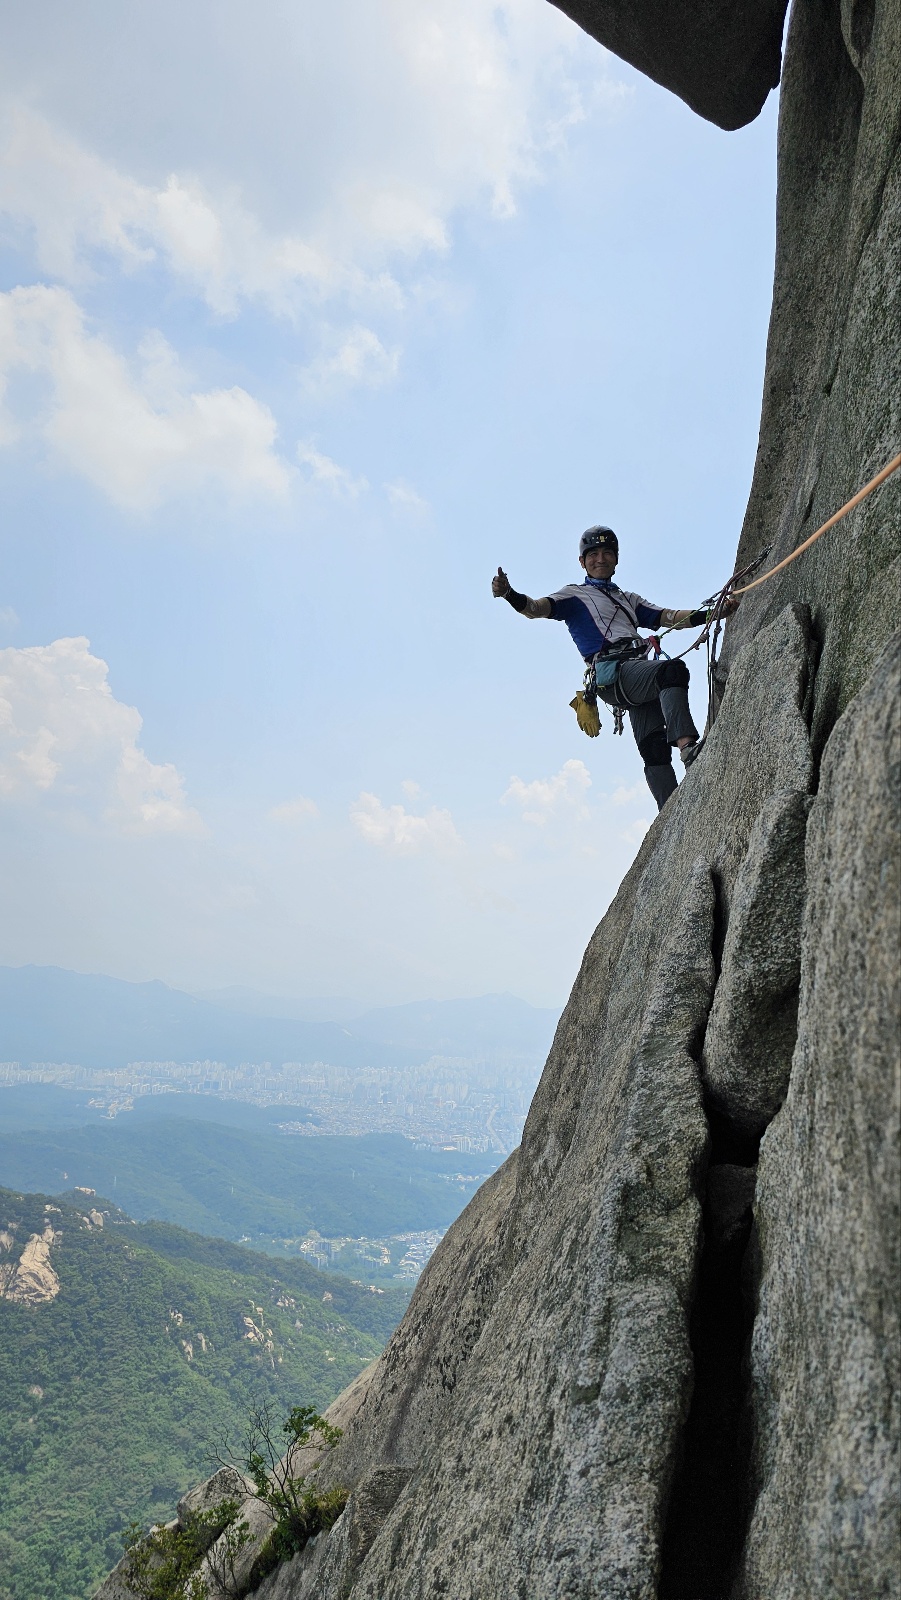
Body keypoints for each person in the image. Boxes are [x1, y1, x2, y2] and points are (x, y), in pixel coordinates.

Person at [491, 525, 737, 811]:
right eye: (592, 554)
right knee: (671, 671)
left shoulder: (628, 599)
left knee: (653, 748)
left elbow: (669, 617)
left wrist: (712, 613)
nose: (600, 558)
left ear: (616, 559)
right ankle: (688, 747)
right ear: (582, 562)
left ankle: (669, 813)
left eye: (607, 552)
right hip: (614, 673)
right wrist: (509, 594)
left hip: (634, 673)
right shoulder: (574, 596)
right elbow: (535, 608)